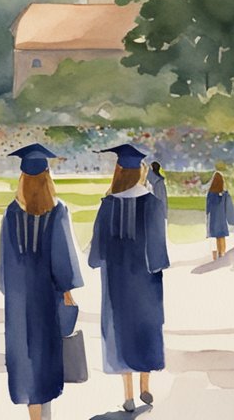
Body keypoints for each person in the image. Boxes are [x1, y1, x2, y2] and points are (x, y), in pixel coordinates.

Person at [0, 143, 83, 420]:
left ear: (22, 178)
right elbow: (63, 258)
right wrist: (67, 289)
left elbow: (3, 269)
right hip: (47, 297)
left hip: (19, 301)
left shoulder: (11, 213)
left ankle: (35, 415)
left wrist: (13, 289)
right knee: (45, 357)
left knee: (24, 357)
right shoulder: (57, 212)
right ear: (48, 177)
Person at [90, 144, 168, 411]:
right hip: (145, 280)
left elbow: (96, 251)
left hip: (116, 279)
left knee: (120, 331)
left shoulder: (108, 205)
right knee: (145, 329)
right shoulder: (152, 204)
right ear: (141, 172)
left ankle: (128, 395)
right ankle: (145, 386)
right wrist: (156, 266)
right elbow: (158, 251)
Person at [205, 172, 234, 260]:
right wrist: (232, 220)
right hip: (221, 219)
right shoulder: (225, 194)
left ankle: (214, 256)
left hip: (213, 219)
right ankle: (222, 254)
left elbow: (207, 208)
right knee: (221, 237)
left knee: (213, 237)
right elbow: (229, 208)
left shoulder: (210, 194)